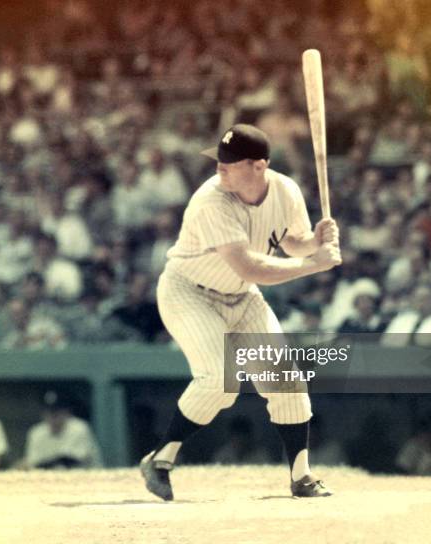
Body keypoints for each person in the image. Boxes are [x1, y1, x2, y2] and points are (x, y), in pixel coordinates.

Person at [140, 124, 341, 500]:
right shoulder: (210, 201)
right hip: (189, 292)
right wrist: (316, 263)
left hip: (242, 297)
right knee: (219, 379)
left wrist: (315, 240)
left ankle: (302, 477)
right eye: (219, 160)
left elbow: (291, 243)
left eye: (231, 163)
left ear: (259, 165)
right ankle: (160, 459)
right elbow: (251, 267)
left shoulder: (285, 191)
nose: (220, 167)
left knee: (286, 381)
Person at [22, 391, 102, 469]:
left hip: (88, 479)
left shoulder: (79, 428)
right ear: (43, 413)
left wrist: (47, 462)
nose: (53, 416)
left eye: (57, 411)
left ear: (67, 412)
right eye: (49, 412)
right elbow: (34, 463)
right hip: (51, 479)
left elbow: (69, 461)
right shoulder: (36, 432)